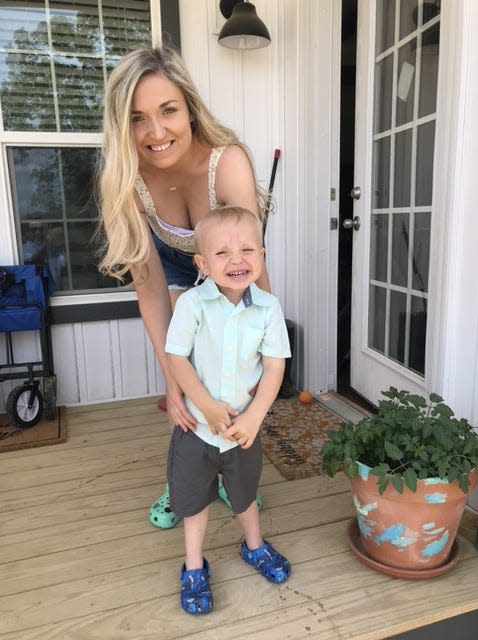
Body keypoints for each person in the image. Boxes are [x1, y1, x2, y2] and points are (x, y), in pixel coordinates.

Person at [98, 45, 270, 529]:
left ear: (189, 108)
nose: (155, 133)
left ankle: (238, 479)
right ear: (122, 125)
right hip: (172, 272)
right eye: (137, 119)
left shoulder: (227, 162)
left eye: (168, 111)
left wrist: (261, 345)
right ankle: (186, 480)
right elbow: (149, 286)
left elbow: (249, 266)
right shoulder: (127, 180)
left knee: (235, 372)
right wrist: (171, 379)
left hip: (230, 263)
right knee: (187, 384)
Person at [165, 206, 291, 614]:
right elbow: (177, 357)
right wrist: (203, 404)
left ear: (262, 254)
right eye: (222, 253)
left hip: (243, 430)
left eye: (247, 249)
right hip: (196, 430)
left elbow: (275, 367)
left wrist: (254, 416)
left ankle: (253, 545)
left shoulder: (269, 308)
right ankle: (194, 565)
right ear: (202, 263)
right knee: (194, 501)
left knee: (245, 494)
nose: (237, 260)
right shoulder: (191, 304)